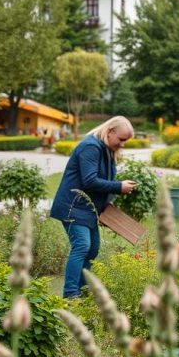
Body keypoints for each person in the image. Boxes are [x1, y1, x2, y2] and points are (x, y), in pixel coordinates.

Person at [50, 116, 137, 298]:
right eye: (121, 139)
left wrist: (106, 208)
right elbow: (89, 181)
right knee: (82, 245)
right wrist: (119, 187)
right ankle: (71, 294)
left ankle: (81, 290)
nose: (122, 144)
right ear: (110, 131)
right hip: (73, 206)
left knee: (93, 248)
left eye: (125, 141)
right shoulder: (91, 147)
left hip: (88, 208)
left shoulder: (106, 150)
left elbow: (100, 182)